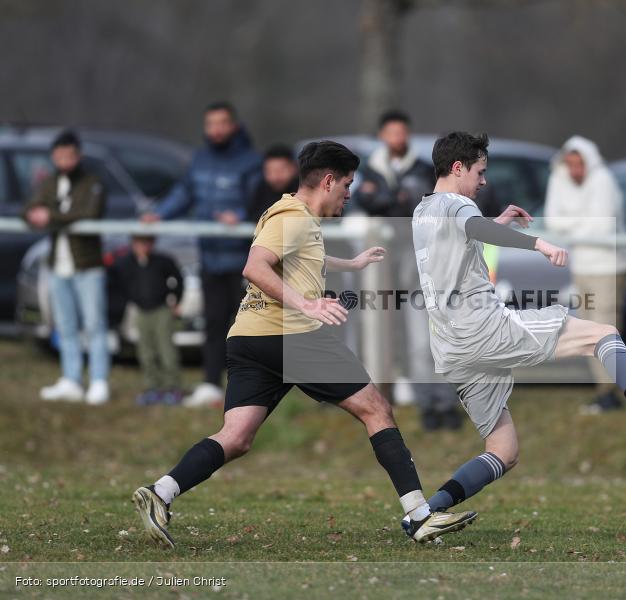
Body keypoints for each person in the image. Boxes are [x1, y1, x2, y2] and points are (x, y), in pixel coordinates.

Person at [132, 141, 476, 548]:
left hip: (250, 338)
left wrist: (353, 264)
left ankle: (161, 493)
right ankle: (420, 516)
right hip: (290, 337)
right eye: (346, 184)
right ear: (327, 180)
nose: (349, 193)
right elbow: (254, 267)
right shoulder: (293, 217)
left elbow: (300, 257)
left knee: (237, 436)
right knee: (377, 408)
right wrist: (308, 305)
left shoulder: (292, 214)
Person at [404, 132, 626, 527]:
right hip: (483, 329)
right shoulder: (457, 203)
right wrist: (540, 245)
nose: (483, 181)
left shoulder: (423, 210)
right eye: (480, 172)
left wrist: (496, 221)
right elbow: (478, 230)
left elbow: (464, 242)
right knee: (602, 334)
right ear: (459, 168)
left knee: (504, 449)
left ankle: (426, 513)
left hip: (450, 348)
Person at [142, 101, 262, 408]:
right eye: (211, 124)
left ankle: (250, 387)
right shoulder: (199, 160)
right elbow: (184, 194)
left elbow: (258, 201)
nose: (216, 129)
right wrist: (158, 215)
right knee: (213, 322)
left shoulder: (249, 161)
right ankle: (210, 383)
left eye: (222, 123)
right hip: (210, 256)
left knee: (249, 326)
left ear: (233, 125)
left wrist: (239, 217)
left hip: (246, 260)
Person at [355, 110, 460, 430]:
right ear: (382, 136)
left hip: (424, 268)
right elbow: (365, 201)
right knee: (402, 342)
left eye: (402, 132)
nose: (397, 138)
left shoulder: (425, 171)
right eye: (391, 132)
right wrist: (394, 199)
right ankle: (425, 403)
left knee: (433, 338)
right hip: (386, 270)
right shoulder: (371, 169)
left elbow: (421, 205)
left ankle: (446, 404)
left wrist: (389, 200)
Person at [545, 135, 626, 414]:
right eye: (570, 163)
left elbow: (602, 228)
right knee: (588, 332)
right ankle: (605, 390)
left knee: (606, 330)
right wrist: (582, 224)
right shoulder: (558, 178)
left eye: (579, 163)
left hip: (609, 268)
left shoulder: (603, 179)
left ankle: (613, 391)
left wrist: (571, 226)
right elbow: (552, 221)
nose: (574, 169)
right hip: (581, 266)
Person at [22, 130, 110, 405]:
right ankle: (71, 379)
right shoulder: (49, 182)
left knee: (94, 324)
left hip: (88, 265)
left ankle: (98, 380)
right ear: (53, 156)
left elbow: (87, 213)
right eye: (58, 156)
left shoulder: (92, 182)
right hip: (58, 266)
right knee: (65, 325)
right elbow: (29, 209)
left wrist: (51, 216)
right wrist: (35, 214)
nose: (64, 161)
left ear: (78, 155)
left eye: (68, 156)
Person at [109, 235, 184, 406]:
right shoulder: (125, 263)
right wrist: (129, 300)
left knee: (166, 349)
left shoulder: (163, 261)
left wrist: (176, 300)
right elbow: (116, 281)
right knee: (145, 351)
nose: (143, 246)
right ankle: (153, 387)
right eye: (139, 242)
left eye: (147, 242)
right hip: (141, 311)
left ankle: (172, 387)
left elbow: (178, 279)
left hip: (161, 310)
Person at [247, 144, 300, 223]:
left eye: (282, 170)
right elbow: (253, 214)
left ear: (294, 169)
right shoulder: (261, 188)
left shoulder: (304, 189)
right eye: (270, 171)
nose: (276, 176)